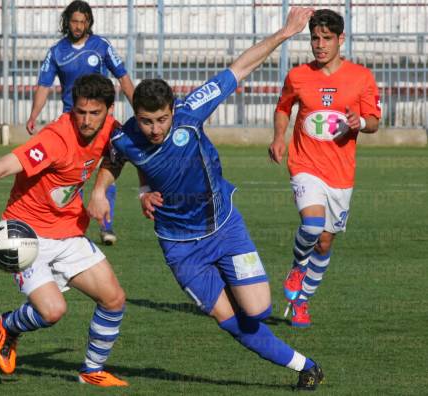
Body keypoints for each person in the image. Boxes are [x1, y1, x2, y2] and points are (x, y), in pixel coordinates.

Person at [88, 7, 324, 391]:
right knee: (230, 321)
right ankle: (305, 367)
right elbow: (113, 162)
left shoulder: (190, 111)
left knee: (258, 311)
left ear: (171, 110)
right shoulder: (125, 138)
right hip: (181, 248)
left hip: (224, 226)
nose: (155, 129)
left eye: (161, 120)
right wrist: (109, 191)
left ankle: (234, 283)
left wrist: (284, 33)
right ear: (136, 114)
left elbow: (240, 68)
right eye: (147, 121)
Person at [0, 74, 128, 387]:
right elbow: (2, 167)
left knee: (114, 299)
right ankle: (9, 326)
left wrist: (102, 190)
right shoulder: (55, 139)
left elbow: (118, 157)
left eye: (95, 113)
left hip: (69, 233)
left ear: (109, 109)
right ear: (72, 108)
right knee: (52, 312)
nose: (87, 120)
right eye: (80, 112)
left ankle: (91, 372)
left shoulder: (113, 131)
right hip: (25, 236)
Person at [268, 9, 381, 328]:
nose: (319, 44)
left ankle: (302, 301)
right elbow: (283, 107)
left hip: (341, 173)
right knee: (313, 224)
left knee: (325, 242)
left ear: (340, 39)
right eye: (315, 38)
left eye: (326, 38)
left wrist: (362, 123)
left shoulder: (361, 78)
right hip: (305, 164)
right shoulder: (298, 76)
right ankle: (296, 268)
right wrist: (279, 137)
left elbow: (374, 121)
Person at [26, 0, 134, 245]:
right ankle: (73, 226)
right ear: (67, 22)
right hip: (72, 123)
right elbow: (44, 85)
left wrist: (138, 107)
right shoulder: (56, 52)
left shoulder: (101, 46)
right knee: (74, 176)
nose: (78, 26)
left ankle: (106, 226)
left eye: (83, 21)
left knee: (108, 167)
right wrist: (34, 114)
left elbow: (123, 77)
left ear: (89, 23)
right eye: (74, 21)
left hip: (101, 120)